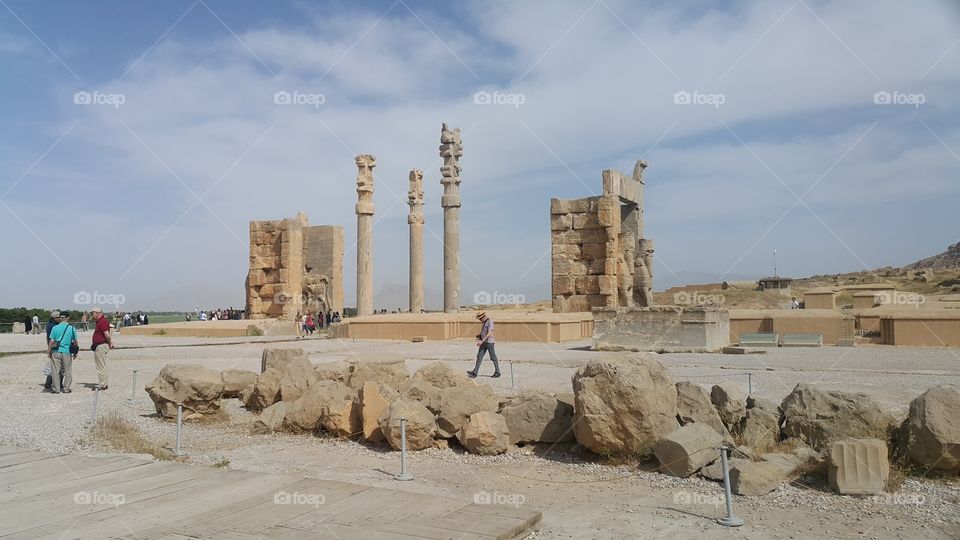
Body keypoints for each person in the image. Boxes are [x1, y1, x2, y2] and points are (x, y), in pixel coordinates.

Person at [47, 311, 78, 393]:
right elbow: (75, 341)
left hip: (56, 351)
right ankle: (66, 388)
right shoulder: (71, 328)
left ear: (60, 318)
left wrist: (49, 351)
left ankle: (56, 388)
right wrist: (75, 352)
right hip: (67, 351)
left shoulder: (55, 328)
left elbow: (51, 341)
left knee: (55, 371)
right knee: (68, 370)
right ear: (68, 318)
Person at [467, 311, 500, 378]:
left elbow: (489, 333)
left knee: (493, 357)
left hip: (489, 342)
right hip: (484, 342)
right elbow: (484, 331)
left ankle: (497, 372)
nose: (480, 320)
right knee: (479, 356)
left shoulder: (490, 321)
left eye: (480, 318)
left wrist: (482, 340)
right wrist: (479, 336)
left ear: (483, 317)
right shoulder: (484, 322)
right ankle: (475, 372)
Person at [90, 307, 114, 391]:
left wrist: (110, 343)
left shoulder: (102, 322)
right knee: (102, 365)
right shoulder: (101, 321)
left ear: (97, 313)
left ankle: (103, 384)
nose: (92, 315)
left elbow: (107, 334)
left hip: (101, 345)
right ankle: (104, 383)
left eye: (92, 313)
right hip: (100, 345)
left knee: (100, 366)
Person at [43, 310, 60, 390]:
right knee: (54, 366)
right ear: (55, 318)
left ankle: (49, 383)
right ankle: (49, 383)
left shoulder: (49, 325)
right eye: (58, 317)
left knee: (52, 365)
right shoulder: (53, 326)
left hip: (51, 346)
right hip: (55, 346)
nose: (60, 318)